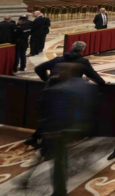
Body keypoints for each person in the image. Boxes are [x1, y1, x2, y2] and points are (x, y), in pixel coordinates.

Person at [28, 41, 105, 149]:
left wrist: (47, 80)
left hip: (51, 91)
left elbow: (38, 68)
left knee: (50, 117)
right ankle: (49, 145)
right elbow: (94, 76)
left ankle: (36, 137)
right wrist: (102, 83)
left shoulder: (58, 59)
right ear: (82, 50)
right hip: (70, 94)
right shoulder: (83, 61)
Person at [38, 63, 97, 196]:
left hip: (63, 128)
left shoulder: (59, 89)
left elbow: (54, 110)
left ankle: (59, 191)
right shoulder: (83, 85)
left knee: (58, 159)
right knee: (61, 155)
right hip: (79, 125)